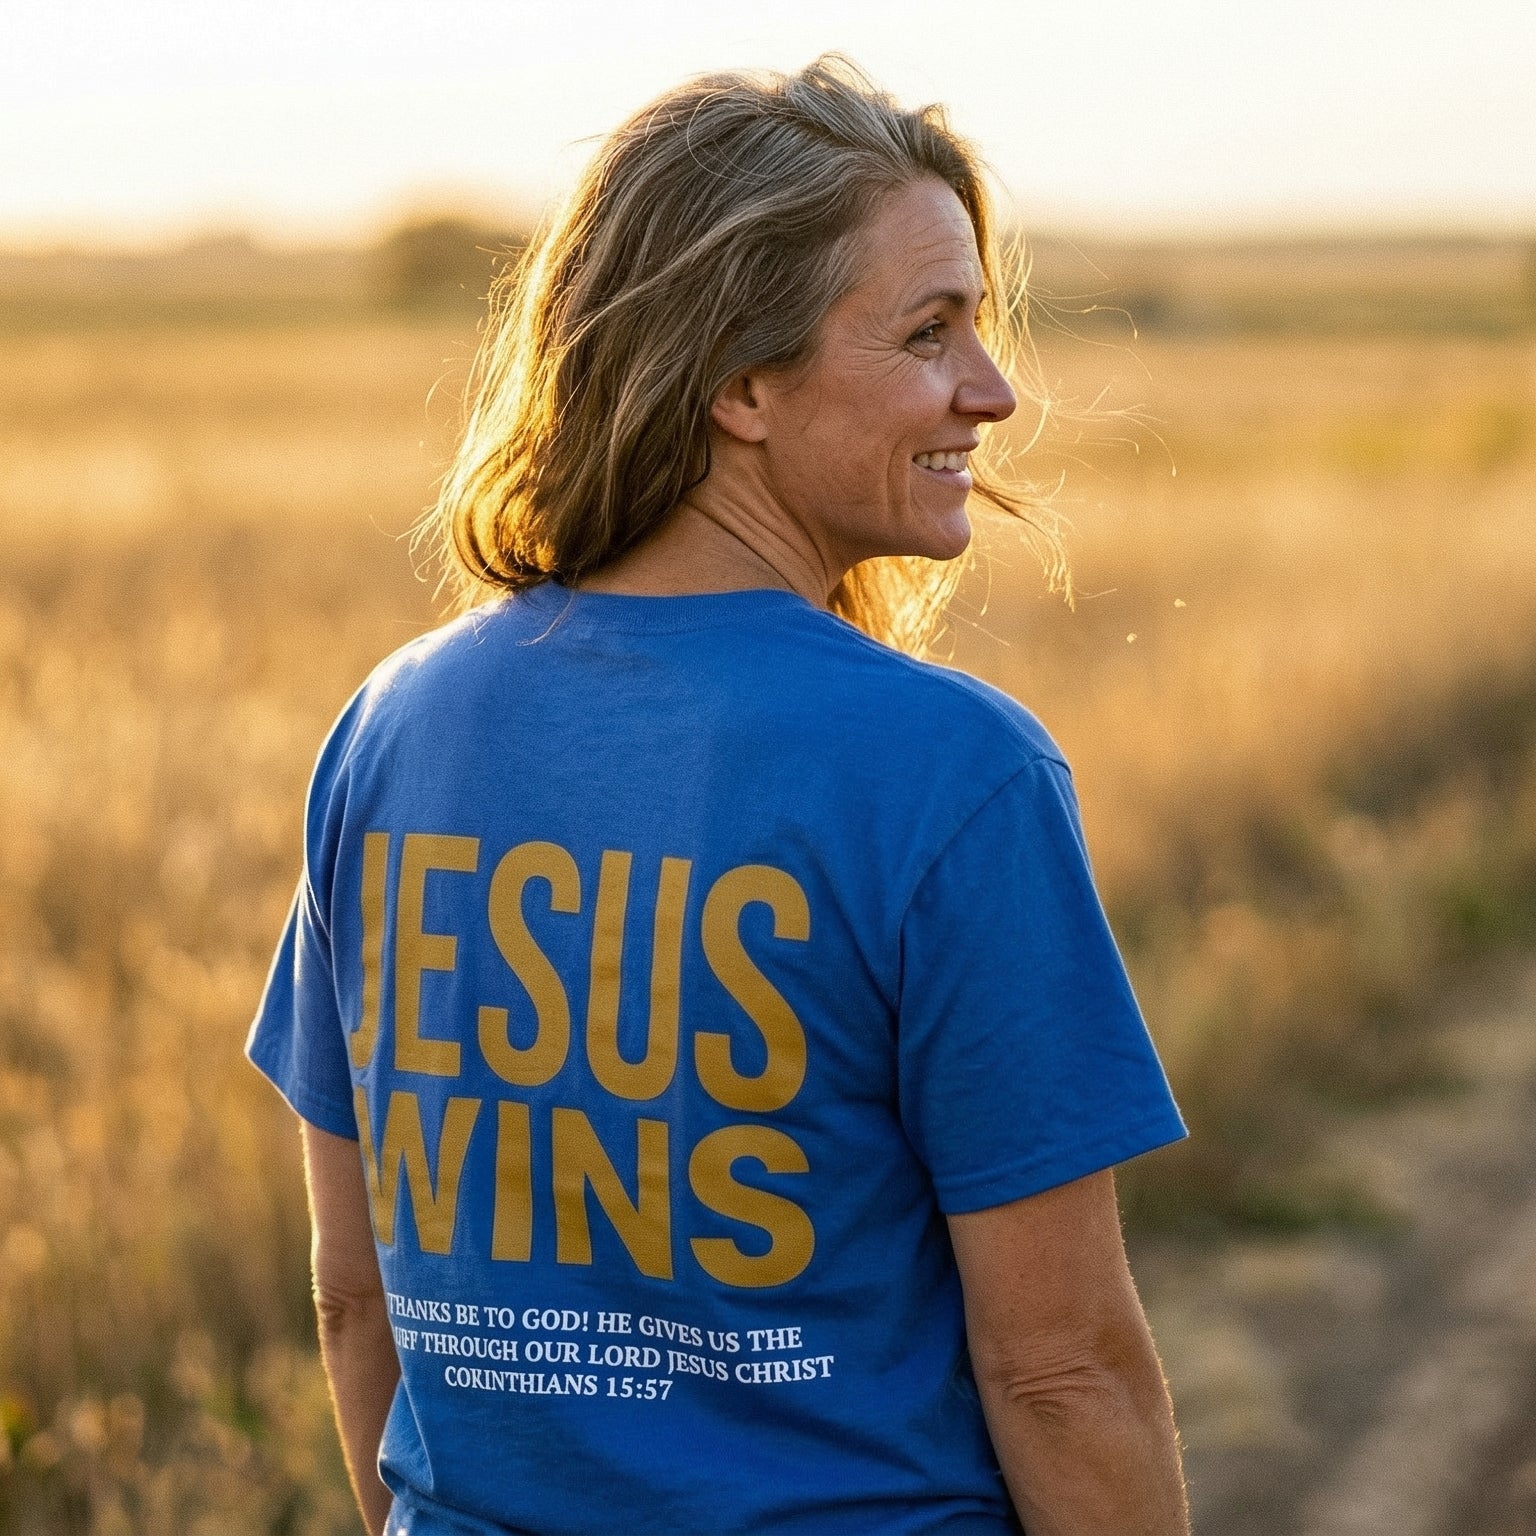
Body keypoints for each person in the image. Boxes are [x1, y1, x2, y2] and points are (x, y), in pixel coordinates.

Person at [248, 55, 1190, 1536]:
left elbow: (357, 1300)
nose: (993, 392)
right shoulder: (955, 773)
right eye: (928, 331)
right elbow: (1063, 1375)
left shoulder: (392, 728)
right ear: (741, 383)